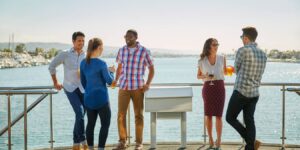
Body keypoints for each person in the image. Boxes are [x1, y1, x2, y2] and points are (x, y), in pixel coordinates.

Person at [226, 27, 267, 150]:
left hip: (241, 91)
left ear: (246, 38)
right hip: (254, 93)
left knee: (230, 118)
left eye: (241, 37)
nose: (241, 40)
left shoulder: (242, 51)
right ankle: (251, 145)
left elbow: (237, 70)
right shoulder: (263, 54)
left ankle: (251, 142)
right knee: (250, 121)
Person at [113, 29, 155, 150]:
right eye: (126, 36)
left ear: (136, 37)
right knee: (121, 115)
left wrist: (147, 83)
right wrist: (116, 80)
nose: (127, 38)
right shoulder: (121, 50)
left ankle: (138, 143)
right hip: (123, 87)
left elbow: (151, 68)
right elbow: (120, 67)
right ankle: (122, 141)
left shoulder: (144, 51)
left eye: (130, 37)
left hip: (138, 88)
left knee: (139, 115)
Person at [48, 31, 88, 150]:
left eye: (83, 41)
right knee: (80, 113)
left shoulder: (86, 55)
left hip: (83, 88)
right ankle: (84, 141)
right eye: (79, 40)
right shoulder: (65, 54)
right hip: (70, 88)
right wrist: (55, 82)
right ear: (73, 41)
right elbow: (52, 66)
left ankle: (75, 145)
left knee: (79, 116)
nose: (81, 43)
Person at [80, 38, 115, 150]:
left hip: (89, 99)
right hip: (102, 100)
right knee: (105, 125)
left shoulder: (83, 63)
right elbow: (110, 81)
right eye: (102, 48)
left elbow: (83, 82)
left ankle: (90, 148)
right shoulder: (102, 64)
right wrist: (111, 72)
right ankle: (100, 148)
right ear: (99, 48)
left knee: (90, 125)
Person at [197, 38, 226, 150]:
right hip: (208, 88)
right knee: (208, 115)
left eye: (217, 44)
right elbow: (198, 76)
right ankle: (210, 139)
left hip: (219, 87)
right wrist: (206, 76)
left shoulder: (222, 58)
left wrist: (230, 71)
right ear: (208, 46)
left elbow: (225, 72)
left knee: (218, 115)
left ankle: (219, 141)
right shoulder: (202, 60)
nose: (216, 46)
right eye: (214, 44)